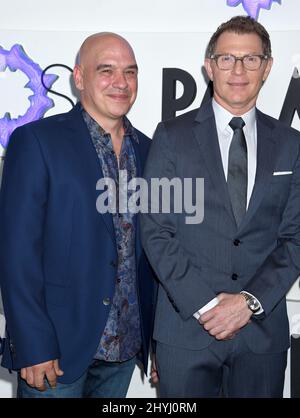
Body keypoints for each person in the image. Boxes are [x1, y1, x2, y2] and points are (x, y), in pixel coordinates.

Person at [141, 16, 300, 398]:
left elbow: (294, 237)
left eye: (250, 59)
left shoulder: (292, 143)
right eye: (227, 59)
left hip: (262, 334)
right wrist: (208, 306)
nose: (238, 70)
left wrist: (248, 302)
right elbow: (157, 231)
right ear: (209, 66)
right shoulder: (171, 137)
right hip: (186, 329)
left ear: (268, 66)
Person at [0, 32, 155, 398]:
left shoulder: (149, 150)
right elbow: (16, 253)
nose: (121, 82)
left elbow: (152, 251)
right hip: (57, 352)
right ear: (79, 77)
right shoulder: (37, 141)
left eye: (130, 72)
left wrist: (156, 340)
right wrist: (33, 343)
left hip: (125, 348)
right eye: (107, 70)